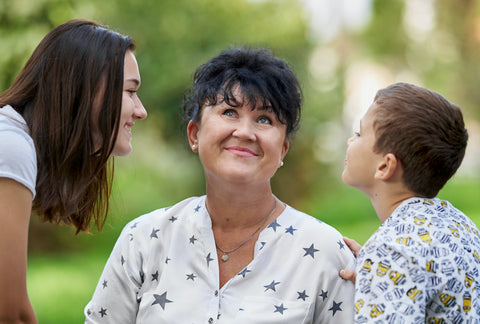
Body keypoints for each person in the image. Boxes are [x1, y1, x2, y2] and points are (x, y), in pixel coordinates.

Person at [84, 47, 355, 323]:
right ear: (195, 134)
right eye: (229, 112)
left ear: (282, 150)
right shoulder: (143, 241)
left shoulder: (325, 253)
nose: (245, 132)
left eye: (265, 119)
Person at [0, 19, 147, 323]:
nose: (140, 110)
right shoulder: (10, 146)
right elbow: (8, 312)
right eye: (130, 92)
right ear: (87, 88)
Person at [340, 82, 480, 322]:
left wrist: (382, 267)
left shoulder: (390, 251)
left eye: (359, 134)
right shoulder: (461, 224)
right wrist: (380, 278)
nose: (349, 142)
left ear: (385, 166)